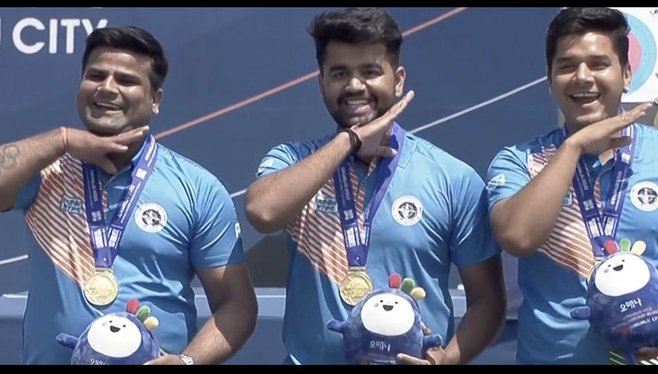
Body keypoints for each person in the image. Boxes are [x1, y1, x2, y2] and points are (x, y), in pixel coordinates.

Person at [245, 7, 506, 365]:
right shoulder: (293, 161)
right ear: (321, 83)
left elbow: (487, 300)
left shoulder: (451, 177)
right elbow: (263, 212)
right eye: (340, 73)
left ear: (398, 80)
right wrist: (348, 142)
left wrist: (446, 360)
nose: (354, 86)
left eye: (370, 72)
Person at [0, 25, 257, 365]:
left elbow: (236, 303)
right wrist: (62, 140)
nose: (107, 88)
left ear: (155, 100)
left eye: (126, 80)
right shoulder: (47, 171)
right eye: (96, 75)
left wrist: (187, 362)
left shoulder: (197, 188)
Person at [485, 7, 658, 364]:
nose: (582, 77)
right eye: (566, 66)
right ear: (549, 79)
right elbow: (517, 237)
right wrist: (572, 148)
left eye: (598, 63)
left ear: (626, 74)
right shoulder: (518, 161)